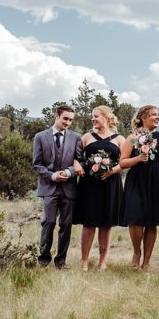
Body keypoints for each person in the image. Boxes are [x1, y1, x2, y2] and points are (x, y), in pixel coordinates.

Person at [120, 105, 159, 271]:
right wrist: (138, 158)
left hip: (157, 181)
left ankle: (146, 262)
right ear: (143, 118)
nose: (157, 117)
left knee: (152, 221)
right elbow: (122, 162)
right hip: (137, 180)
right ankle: (136, 252)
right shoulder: (132, 137)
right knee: (135, 218)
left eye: (158, 115)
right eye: (153, 115)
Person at [32, 104, 85, 268]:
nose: (68, 122)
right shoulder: (40, 137)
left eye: (70, 120)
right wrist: (52, 175)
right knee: (48, 222)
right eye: (65, 118)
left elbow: (80, 161)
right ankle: (43, 259)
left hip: (69, 188)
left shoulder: (76, 137)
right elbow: (37, 164)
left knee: (66, 225)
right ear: (57, 116)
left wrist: (69, 173)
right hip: (49, 188)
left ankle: (61, 261)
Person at [75, 105, 126, 271]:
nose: (93, 119)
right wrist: (78, 165)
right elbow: (75, 156)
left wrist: (112, 171)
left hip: (111, 184)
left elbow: (125, 162)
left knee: (106, 224)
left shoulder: (119, 139)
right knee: (89, 223)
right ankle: (84, 260)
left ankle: (103, 261)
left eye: (96, 116)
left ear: (106, 117)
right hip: (89, 184)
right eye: (92, 116)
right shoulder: (87, 137)